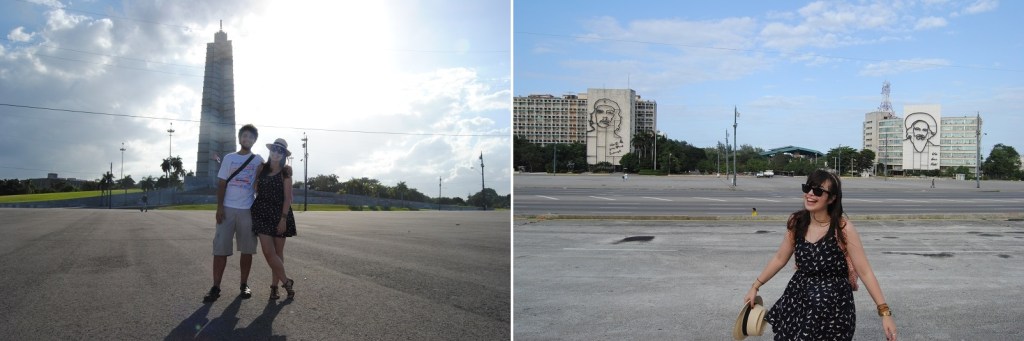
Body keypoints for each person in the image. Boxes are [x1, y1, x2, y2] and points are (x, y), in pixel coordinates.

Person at [743, 170, 898, 340]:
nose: (810, 194)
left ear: (831, 199)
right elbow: (780, 258)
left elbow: (865, 271)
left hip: (833, 310)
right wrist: (755, 286)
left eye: (818, 191)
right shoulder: (797, 223)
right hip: (798, 301)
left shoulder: (843, 228)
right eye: (807, 188)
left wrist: (884, 312)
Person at [204, 124, 265, 303]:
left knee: (247, 250)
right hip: (228, 209)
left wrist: (287, 170)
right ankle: (215, 286)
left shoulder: (258, 159)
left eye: (251, 137)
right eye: (244, 136)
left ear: (254, 141)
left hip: (247, 210)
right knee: (220, 250)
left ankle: (244, 284)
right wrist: (220, 207)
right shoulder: (229, 158)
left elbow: (271, 171)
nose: (247, 139)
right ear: (240, 138)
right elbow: (222, 184)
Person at [251, 138, 298, 300]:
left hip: (280, 214)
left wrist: (283, 219)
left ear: (284, 154)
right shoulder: (261, 168)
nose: (276, 153)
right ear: (270, 151)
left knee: (278, 252)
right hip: (262, 213)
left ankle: (274, 287)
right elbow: (254, 188)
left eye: (280, 151)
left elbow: (287, 198)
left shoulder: (286, 172)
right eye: (274, 150)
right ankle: (287, 282)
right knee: (268, 252)